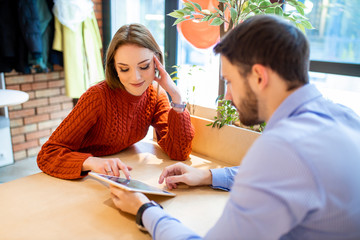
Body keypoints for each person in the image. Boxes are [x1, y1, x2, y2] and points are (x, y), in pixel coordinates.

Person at [109, 15, 360, 239]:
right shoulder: (346, 117)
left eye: (229, 81)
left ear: (259, 77)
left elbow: (277, 166)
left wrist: (146, 210)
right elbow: (280, 172)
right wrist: (208, 176)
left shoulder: (283, 148)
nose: (227, 96)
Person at [37, 23, 195, 180]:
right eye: (124, 69)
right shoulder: (97, 97)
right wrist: (91, 162)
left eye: (144, 66)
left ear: (156, 62)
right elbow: (47, 154)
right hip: (80, 176)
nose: (136, 78)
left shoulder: (155, 93)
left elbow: (178, 152)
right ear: (114, 68)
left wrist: (176, 95)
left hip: (115, 175)